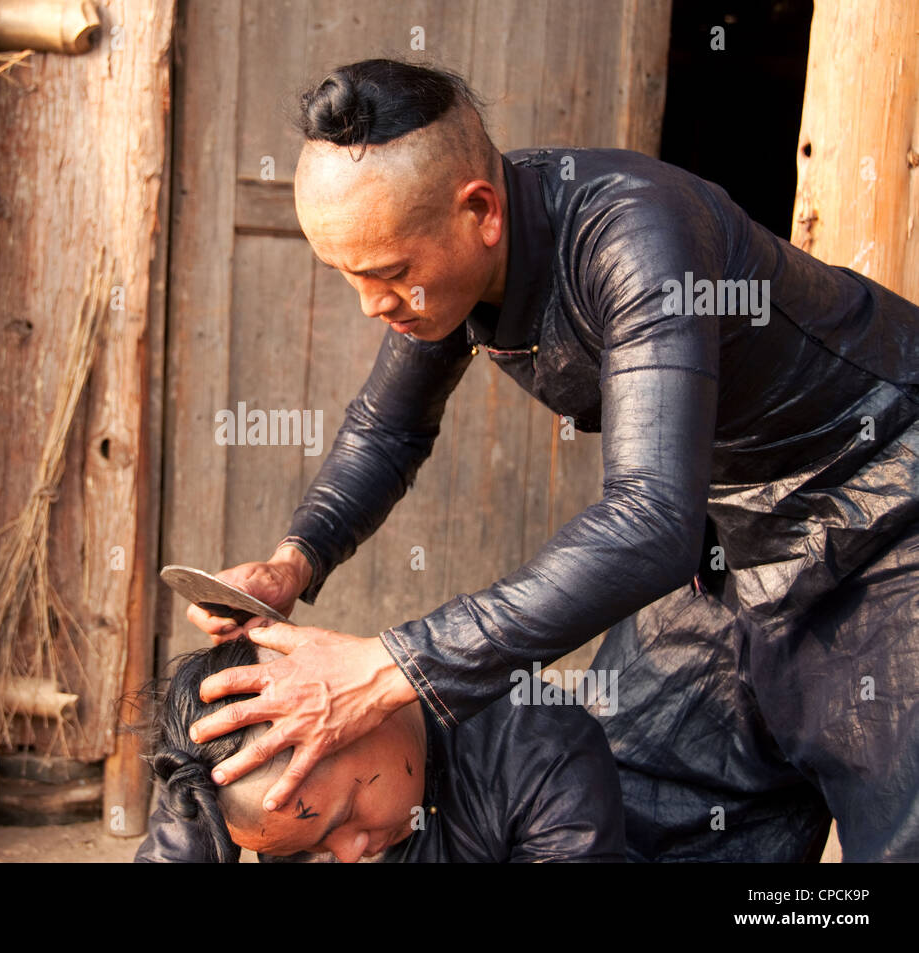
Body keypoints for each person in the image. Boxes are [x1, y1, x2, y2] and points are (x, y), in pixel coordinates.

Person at [184, 59, 919, 862]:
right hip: (732, 535)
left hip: (886, 506)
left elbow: (649, 522)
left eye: (391, 273)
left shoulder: (638, 235)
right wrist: (296, 560)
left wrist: (387, 665)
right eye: (350, 276)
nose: (373, 305)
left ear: (480, 213)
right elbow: (387, 429)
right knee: (626, 804)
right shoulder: (450, 283)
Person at [135, 635, 626, 862]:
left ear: (349, 713)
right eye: (306, 851)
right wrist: (196, 807)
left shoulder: (546, 756)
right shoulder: (253, 791)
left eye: (345, 815)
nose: (349, 856)